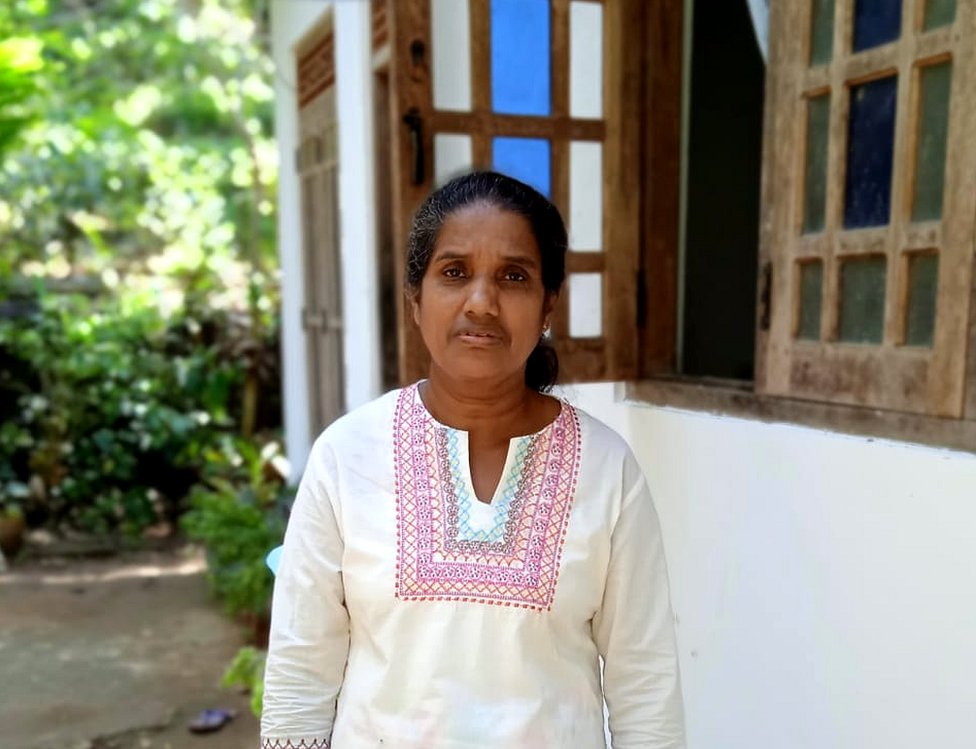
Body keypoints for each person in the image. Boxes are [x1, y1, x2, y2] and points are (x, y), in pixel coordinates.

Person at [260, 171, 686, 748]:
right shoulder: (346, 454)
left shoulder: (606, 469)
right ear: (416, 298)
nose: (481, 303)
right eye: (454, 273)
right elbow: (300, 670)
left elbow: (645, 683)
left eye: (514, 277)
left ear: (547, 305)